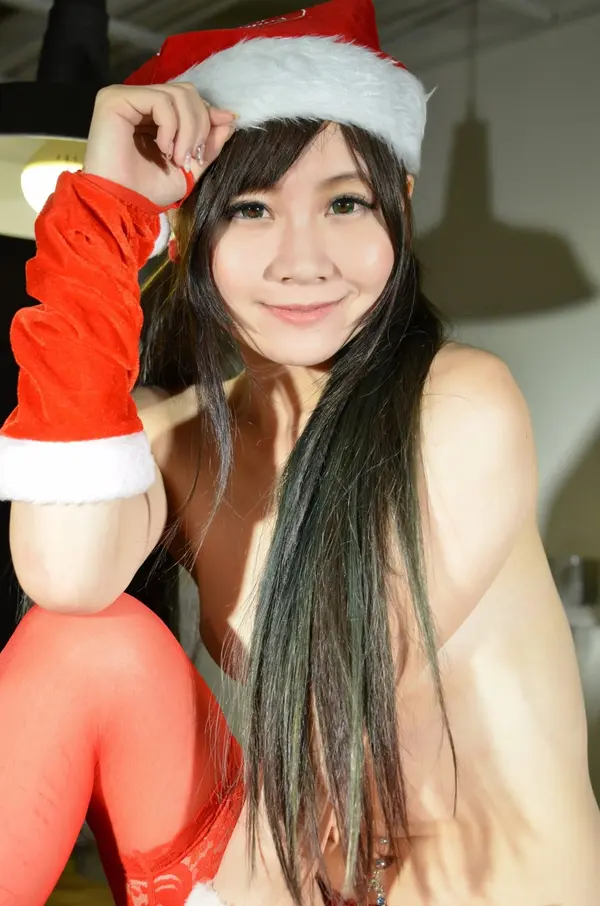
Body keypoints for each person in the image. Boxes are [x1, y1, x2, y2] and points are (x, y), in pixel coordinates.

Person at [0, 0, 598, 904]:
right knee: (84, 644)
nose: (303, 260)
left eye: (344, 202)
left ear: (398, 208)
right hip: (299, 875)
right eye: (251, 208)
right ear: (192, 231)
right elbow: (64, 578)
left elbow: (334, 687)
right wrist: (105, 222)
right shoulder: (179, 437)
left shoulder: (458, 404)